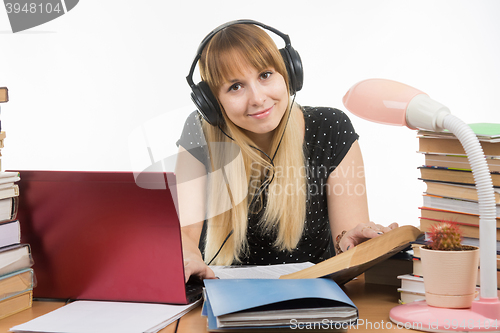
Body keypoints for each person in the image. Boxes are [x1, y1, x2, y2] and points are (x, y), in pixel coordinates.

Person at [176, 20, 398, 282]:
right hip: (220, 296)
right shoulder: (201, 131)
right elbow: (184, 233)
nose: (257, 98)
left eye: (265, 75)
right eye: (235, 86)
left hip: (313, 299)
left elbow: (346, 242)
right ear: (212, 103)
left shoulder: (331, 128)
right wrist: (187, 256)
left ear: (288, 73)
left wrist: (350, 242)